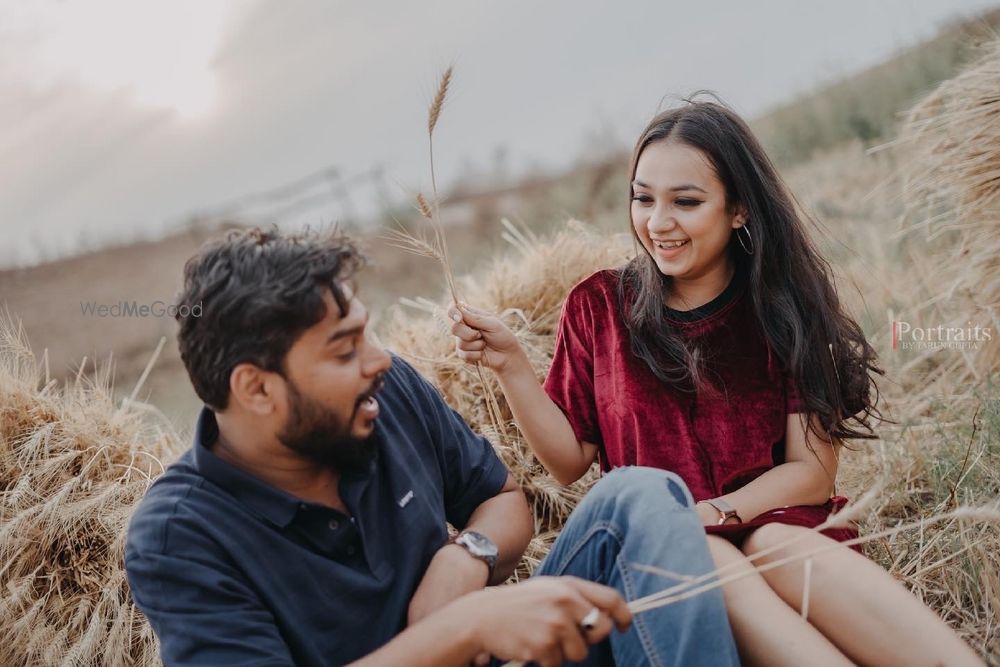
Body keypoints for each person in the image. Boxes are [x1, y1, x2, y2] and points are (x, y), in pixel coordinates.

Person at [449, 100, 984, 666]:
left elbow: (812, 473)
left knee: (773, 543)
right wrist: (509, 366)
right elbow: (568, 461)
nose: (658, 222)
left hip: (777, 525)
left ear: (739, 210)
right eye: (643, 197)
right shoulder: (599, 306)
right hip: (668, 560)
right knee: (707, 555)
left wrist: (714, 512)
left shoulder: (785, 309)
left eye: (686, 201)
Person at [124, 227, 739, 667]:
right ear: (256, 389)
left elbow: (503, 500)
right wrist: (464, 628)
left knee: (639, 494)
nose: (378, 361)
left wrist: (465, 556)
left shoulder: (384, 393)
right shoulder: (179, 536)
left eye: (367, 334)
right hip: (479, 639)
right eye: (343, 350)